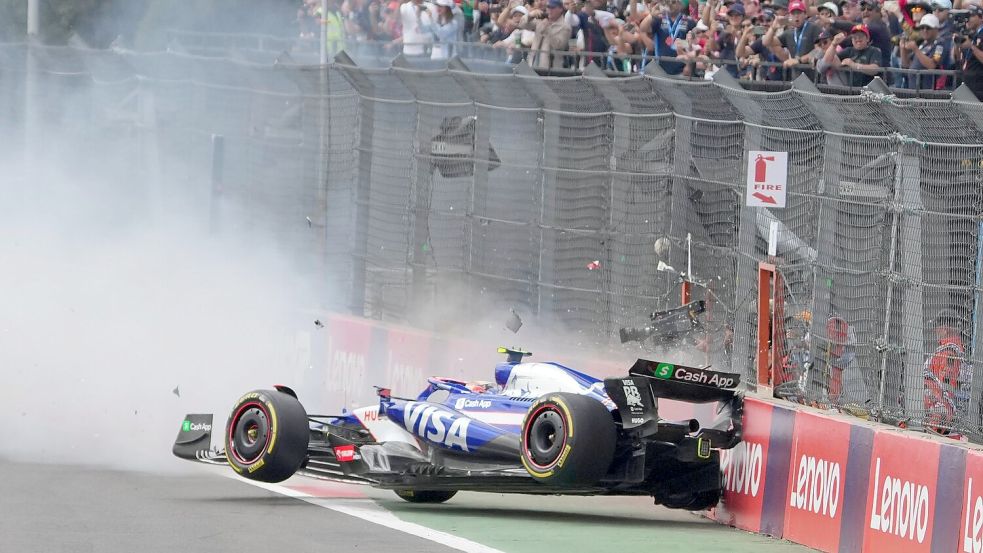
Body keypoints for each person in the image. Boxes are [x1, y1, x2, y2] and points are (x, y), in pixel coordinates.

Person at [923, 308, 966, 434]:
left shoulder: (950, 352)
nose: (935, 330)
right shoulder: (947, 349)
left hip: (938, 416)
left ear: (945, 328)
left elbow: (946, 392)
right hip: (935, 411)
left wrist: (935, 423)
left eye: (937, 326)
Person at [636, 0, 698, 74]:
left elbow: (694, 44)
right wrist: (651, 15)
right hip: (660, 69)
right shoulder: (659, 19)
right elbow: (643, 28)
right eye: (668, 2)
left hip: (681, 70)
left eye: (674, 2)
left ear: (681, 4)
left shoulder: (689, 21)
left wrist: (682, 44)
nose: (671, 4)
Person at [900, 13, 950, 89]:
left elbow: (932, 65)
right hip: (914, 90)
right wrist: (902, 48)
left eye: (928, 28)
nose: (925, 30)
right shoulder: (922, 44)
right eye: (922, 28)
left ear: (936, 29)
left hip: (928, 92)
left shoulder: (940, 44)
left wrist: (916, 49)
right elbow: (906, 64)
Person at [530, 0, 574, 69]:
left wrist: (548, 29)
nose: (549, 10)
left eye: (552, 8)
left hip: (552, 68)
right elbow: (522, 25)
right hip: (533, 64)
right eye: (548, 7)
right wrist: (530, 15)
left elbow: (558, 45)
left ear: (560, 9)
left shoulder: (565, 27)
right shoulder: (541, 20)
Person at [955, 4, 983, 100]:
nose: (967, 19)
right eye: (966, 16)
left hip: (979, 87)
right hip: (966, 84)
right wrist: (957, 44)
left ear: (981, 17)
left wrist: (971, 46)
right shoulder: (969, 34)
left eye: (971, 16)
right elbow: (957, 59)